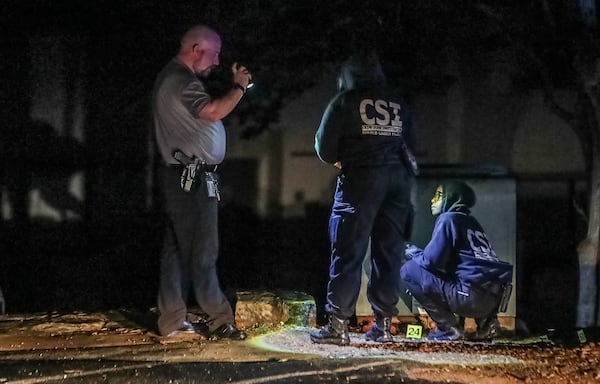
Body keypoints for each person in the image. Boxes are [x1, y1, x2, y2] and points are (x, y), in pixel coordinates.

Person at [310, 51, 417, 345]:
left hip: (362, 180)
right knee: (389, 252)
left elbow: (325, 148)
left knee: (348, 250)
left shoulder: (345, 101)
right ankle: (382, 326)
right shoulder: (397, 101)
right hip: (398, 181)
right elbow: (412, 145)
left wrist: (345, 159)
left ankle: (337, 326)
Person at [152, 24, 252, 339]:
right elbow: (211, 111)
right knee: (204, 249)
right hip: (190, 178)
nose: (217, 60)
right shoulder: (181, 79)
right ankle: (220, 318)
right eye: (214, 53)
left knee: (177, 251)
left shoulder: (171, 76)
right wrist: (239, 87)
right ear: (197, 49)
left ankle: (171, 319)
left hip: (182, 177)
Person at [400, 181, 514, 341]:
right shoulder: (471, 222)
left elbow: (432, 261)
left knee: (408, 269)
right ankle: (487, 324)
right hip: (492, 301)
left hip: (470, 298)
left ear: (451, 198)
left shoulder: (448, 219)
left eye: (438, 195)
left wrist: (412, 252)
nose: (432, 200)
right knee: (465, 276)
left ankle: (449, 330)